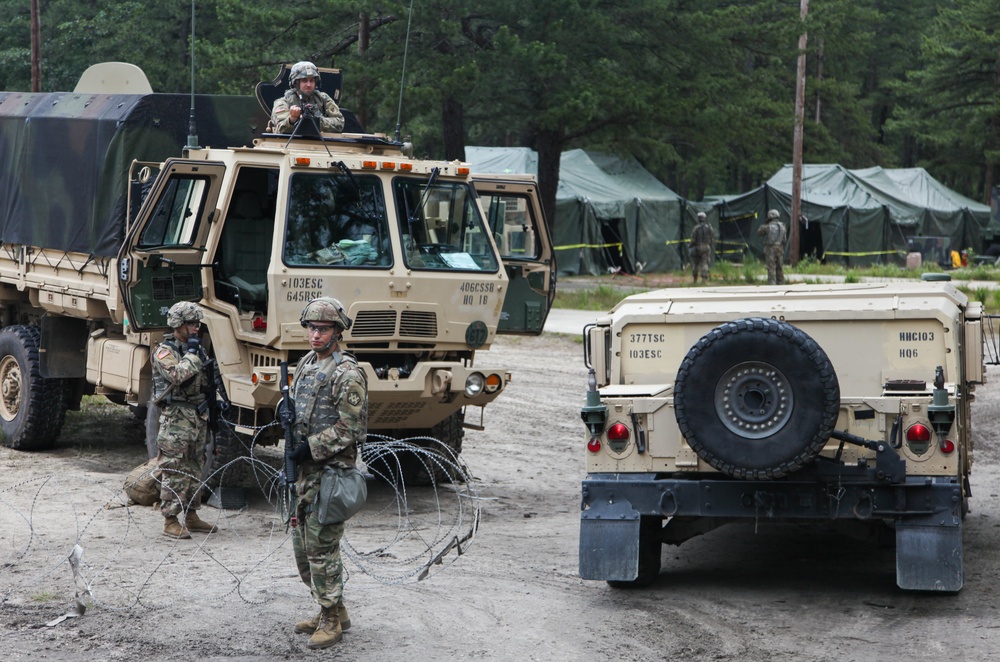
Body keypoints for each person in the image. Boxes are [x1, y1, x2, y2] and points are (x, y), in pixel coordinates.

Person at [286, 297, 368, 649]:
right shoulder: (307, 363)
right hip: (305, 472)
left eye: (322, 329)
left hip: (331, 471)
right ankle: (332, 609)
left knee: (321, 546)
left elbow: (352, 428)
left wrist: (311, 446)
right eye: (311, 328)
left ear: (337, 332)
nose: (315, 335)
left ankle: (331, 619)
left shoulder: (347, 372)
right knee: (302, 548)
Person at [151, 301, 218, 539]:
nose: (195, 328)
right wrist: (191, 354)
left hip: (197, 415)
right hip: (176, 417)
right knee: (175, 467)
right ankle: (170, 520)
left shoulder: (197, 349)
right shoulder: (165, 351)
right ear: (177, 324)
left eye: (197, 323)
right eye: (190, 323)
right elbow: (177, 376)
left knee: (195, 465)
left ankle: (191, 514)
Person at [271, 61, 345, 135]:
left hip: (320, 143)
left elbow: (339, 123)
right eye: (304, 80)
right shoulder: (282, 103)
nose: (309, 84)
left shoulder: (322, 98)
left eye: (312, 80)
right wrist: (292, 119)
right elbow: (280, 128)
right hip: (291, 144)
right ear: (296, 83)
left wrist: (316, 121)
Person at [757, 209, 787, 285]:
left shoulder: (767, 227)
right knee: (779, 267)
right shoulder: (783, 226)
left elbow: (759, 232)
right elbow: (784, 240)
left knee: (771, 268)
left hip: (770, 248)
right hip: (780, 248)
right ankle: (781, 283)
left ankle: (772, 285)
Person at [689, 212, 715, 283]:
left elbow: (693, 240)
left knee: (696, 264)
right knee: (705, 264)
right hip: (706, 247)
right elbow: (712, 239)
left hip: (697, 247)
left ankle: (695, 279)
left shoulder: (696, 228)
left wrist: (690, 245)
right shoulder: (710, 228)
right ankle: (704, 279)